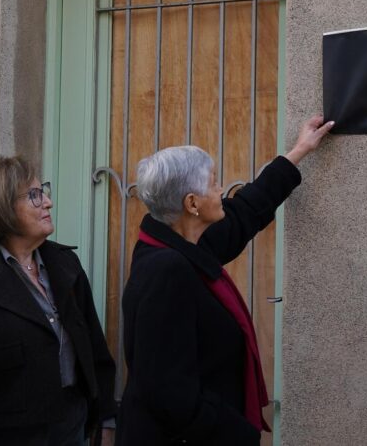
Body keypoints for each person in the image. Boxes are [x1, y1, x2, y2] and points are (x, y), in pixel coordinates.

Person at [116, 115, 334, 445]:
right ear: (192, 204)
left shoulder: (182, 240)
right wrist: (238, 432)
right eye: (213, 182)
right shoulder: (166, 270)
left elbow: (245, 212)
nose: (221, 189)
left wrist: (300, 150)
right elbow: (169, 391)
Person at [0, 156, 117, 446]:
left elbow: (94, 347)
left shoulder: (65, 264)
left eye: (43, 192)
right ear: (1, 208)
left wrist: (106, 416)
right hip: (13, 436)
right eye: (34, 196)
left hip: (73, 424)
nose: (48, 202)